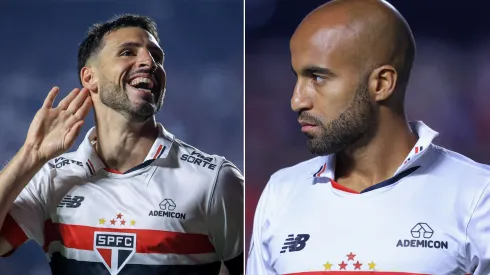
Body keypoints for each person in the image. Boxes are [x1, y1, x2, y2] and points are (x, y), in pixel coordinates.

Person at [247, 0, 490, 274]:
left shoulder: (478, 196)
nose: (296, 100)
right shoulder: (281, 193)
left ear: (382, 84)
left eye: (317, 77)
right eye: (298, 77)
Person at [0, 14, 243, 275]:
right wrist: (30, 155)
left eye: (156, 56)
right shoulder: (51, 179)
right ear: (89, 77)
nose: (149, 63)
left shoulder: (214, 180)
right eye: (127, 52)